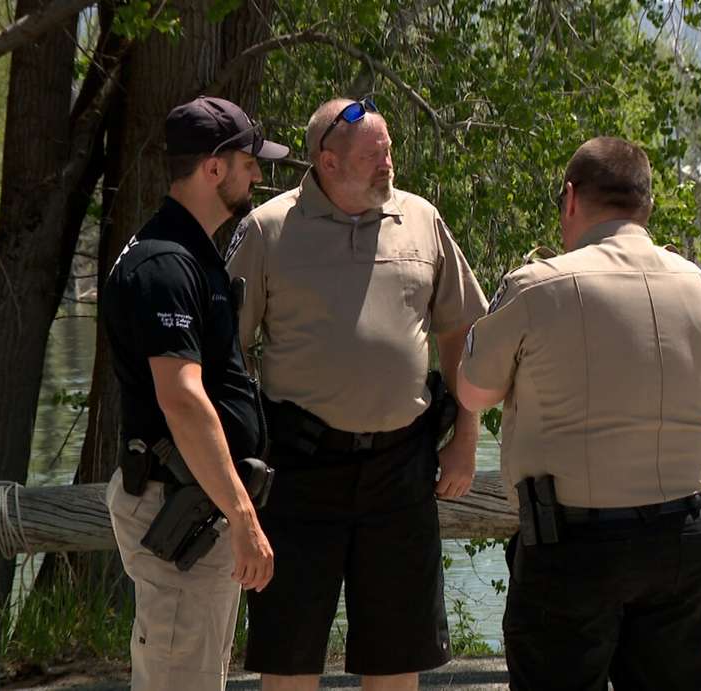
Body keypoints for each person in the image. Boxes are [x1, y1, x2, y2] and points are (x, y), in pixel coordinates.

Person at [227, 97, 488, 690]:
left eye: (389, 151)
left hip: (402, 468)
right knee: (289, 655)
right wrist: (242, 454)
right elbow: (229, 354)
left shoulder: (422, 218)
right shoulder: (267, 230)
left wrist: (465, 437)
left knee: (397, 657)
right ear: (328, 162)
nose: (387, 165)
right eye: (373, 156)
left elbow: (461, 335)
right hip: (298, 469)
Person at [456, 136, 701, 690]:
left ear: (571, 198)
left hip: (575, 545)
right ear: (645, 204)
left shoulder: (537, 285)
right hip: (682, 536)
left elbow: (473, 393)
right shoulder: (698, 284)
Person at [100, 95, 288, 691]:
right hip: (182, 510)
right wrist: (241, 514)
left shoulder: (186, 255)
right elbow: (181, 398)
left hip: (194, 507)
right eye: (249, 161)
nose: (258, 173)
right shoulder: (164, 264)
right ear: (214, 169)